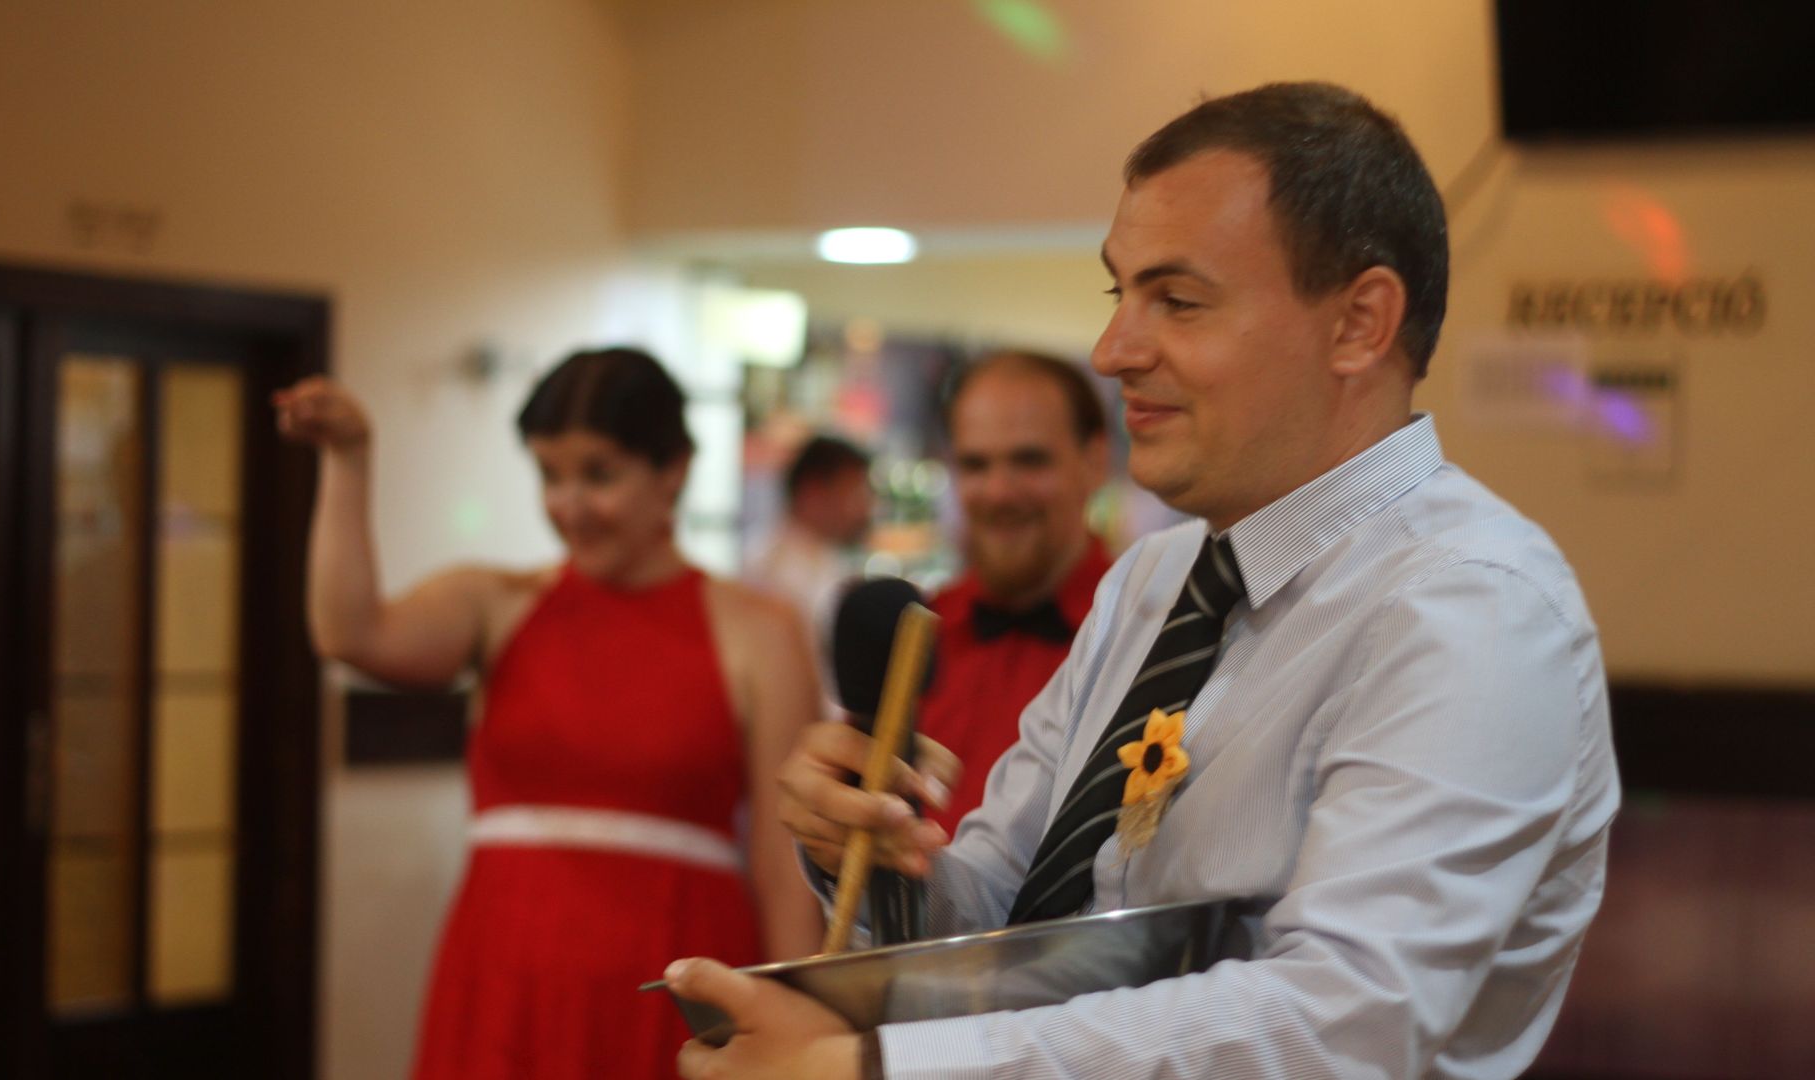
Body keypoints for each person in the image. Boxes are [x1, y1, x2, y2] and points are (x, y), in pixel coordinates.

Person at [667, 82, 1621, 1079]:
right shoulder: (1156, 580)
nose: (1112, 351)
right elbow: (1005, 912)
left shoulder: (1472, 604)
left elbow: (1344, 1020)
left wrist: (875, 1069)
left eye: (1178, 301)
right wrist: (868, 851)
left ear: (1359, 323)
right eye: (1118, 294)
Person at [273, 347, 824, 1079]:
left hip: (674, 979)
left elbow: (785, 868)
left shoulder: (760, 630)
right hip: (504, 972)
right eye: (549, 475)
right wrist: (348, 459)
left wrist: (801, 1038)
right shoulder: (497, 603)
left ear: (674, 470)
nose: (570, 506)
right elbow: (349, 632)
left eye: (599, 474)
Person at [917, 350, 1113, 835]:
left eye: (1029, 461)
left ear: (1095, 462)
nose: (999, 493)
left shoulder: (1146, 636)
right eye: (975, 465)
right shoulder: (916, 633)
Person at [745, 434, 873, 673]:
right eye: (855, 493)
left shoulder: (821, 557)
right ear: (813, 492)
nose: (866, 509)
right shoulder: (775, 570)